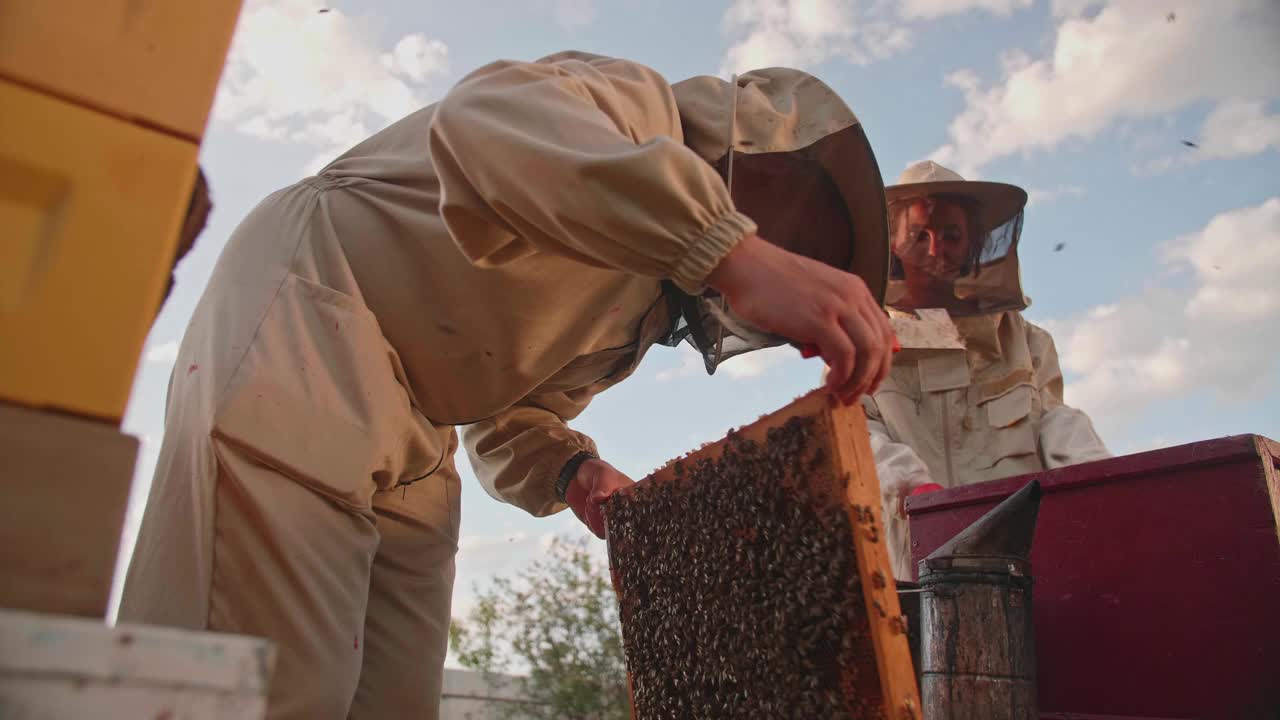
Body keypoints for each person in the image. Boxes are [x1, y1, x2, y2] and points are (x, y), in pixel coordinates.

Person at [119, 50, 897, 719]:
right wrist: (734, 252)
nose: (788, 259)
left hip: (420, 431)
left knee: (388, 701)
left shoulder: (641, 305)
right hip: (319, 310)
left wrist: (572, 470)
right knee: (265, 689)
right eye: (797, 245)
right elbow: (483, 119)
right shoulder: (636, 108)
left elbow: (508, 414)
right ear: (759, 151)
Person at [864, 160, 1111, 581]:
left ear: (974, 243)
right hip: (915, 563)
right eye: (919, 235)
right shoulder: (866, 342)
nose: (936, 249)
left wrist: (1097, 478)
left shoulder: (1026, 341)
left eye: (951, 235)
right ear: (894, 244)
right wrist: (912, 487)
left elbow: (1055, 421)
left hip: (1021, 557)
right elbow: (858, 436)